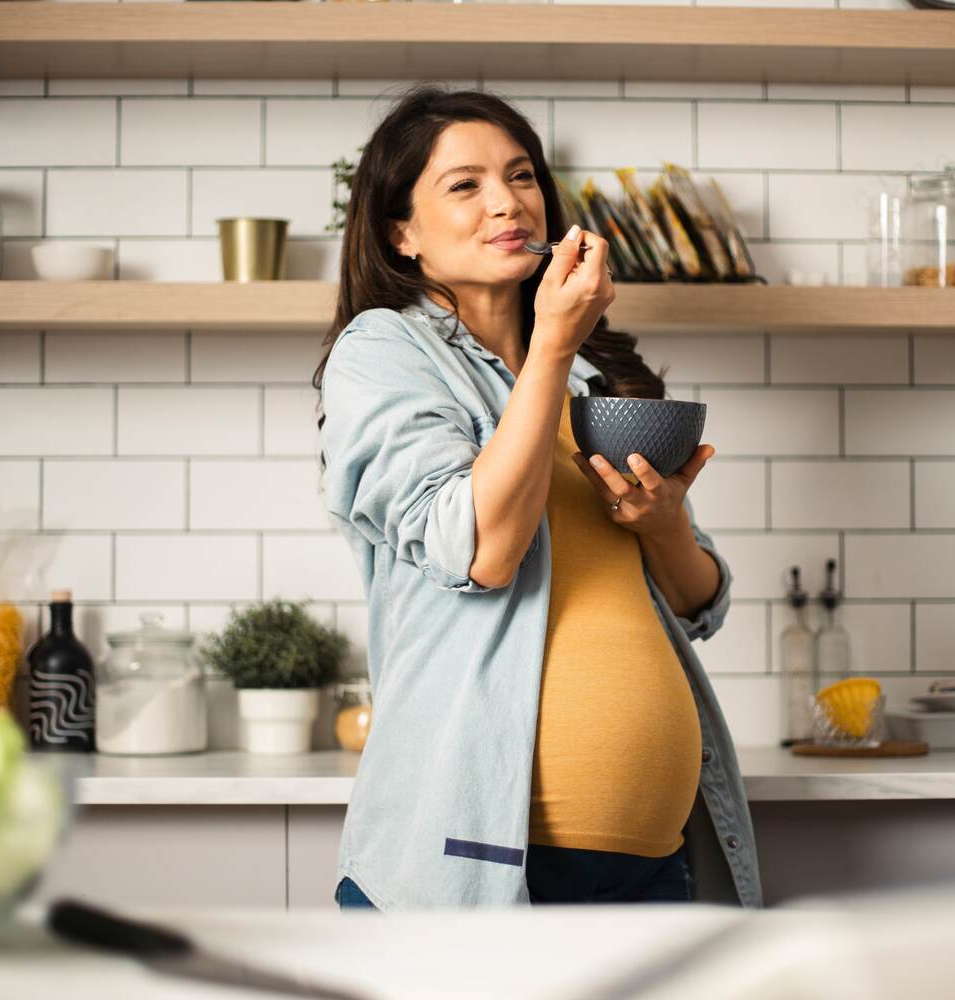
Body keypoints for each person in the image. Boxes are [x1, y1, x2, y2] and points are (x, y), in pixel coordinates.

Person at [314, 86, 761, 911]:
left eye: (521, 177)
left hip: (654, 863)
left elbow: (701, 603)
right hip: (479, 867)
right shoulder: (380, 352)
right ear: (399, 233)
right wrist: (553, 340)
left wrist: (666, 529)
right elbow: (479, 552)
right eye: (465, 185)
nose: (507, 201)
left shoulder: (597, 385)